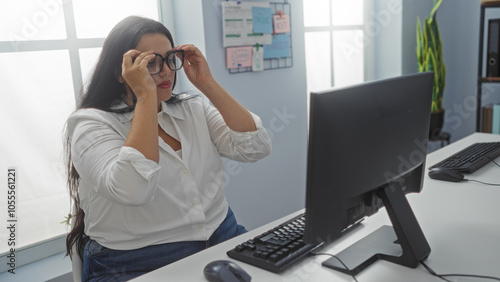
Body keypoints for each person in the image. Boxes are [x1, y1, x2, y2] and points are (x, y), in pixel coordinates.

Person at [64, 16, 272, 281]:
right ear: (120, 72)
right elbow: (135, 189)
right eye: (150, 62)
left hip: (222, 235)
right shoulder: (90, 124)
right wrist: (145, 97)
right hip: (135, 260)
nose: (165, 71)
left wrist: (207, 83)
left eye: (169, 58)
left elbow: (255, 148)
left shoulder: (193, 107)